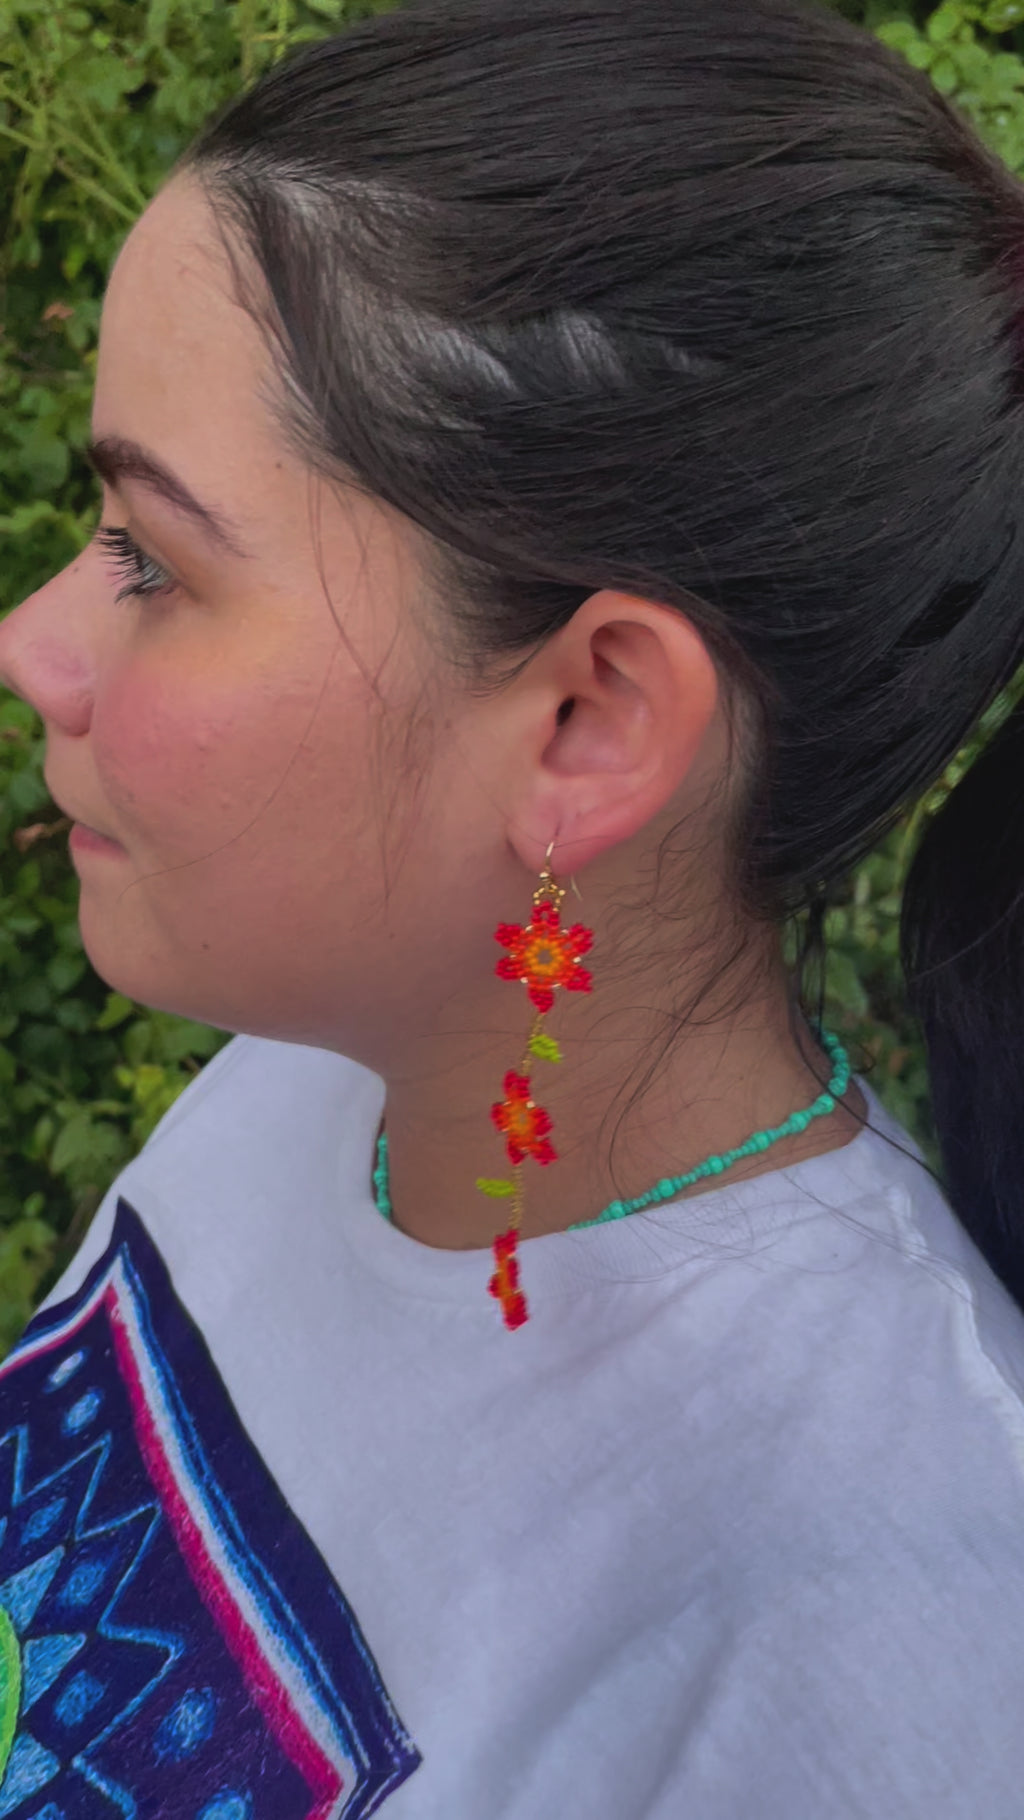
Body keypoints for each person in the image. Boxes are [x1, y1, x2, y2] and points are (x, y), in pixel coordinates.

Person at [2, 0, 1024, 1811]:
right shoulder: (327, 1064)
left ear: (587, 720)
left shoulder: (897, 1647)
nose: (34, 647)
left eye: (155, 560)